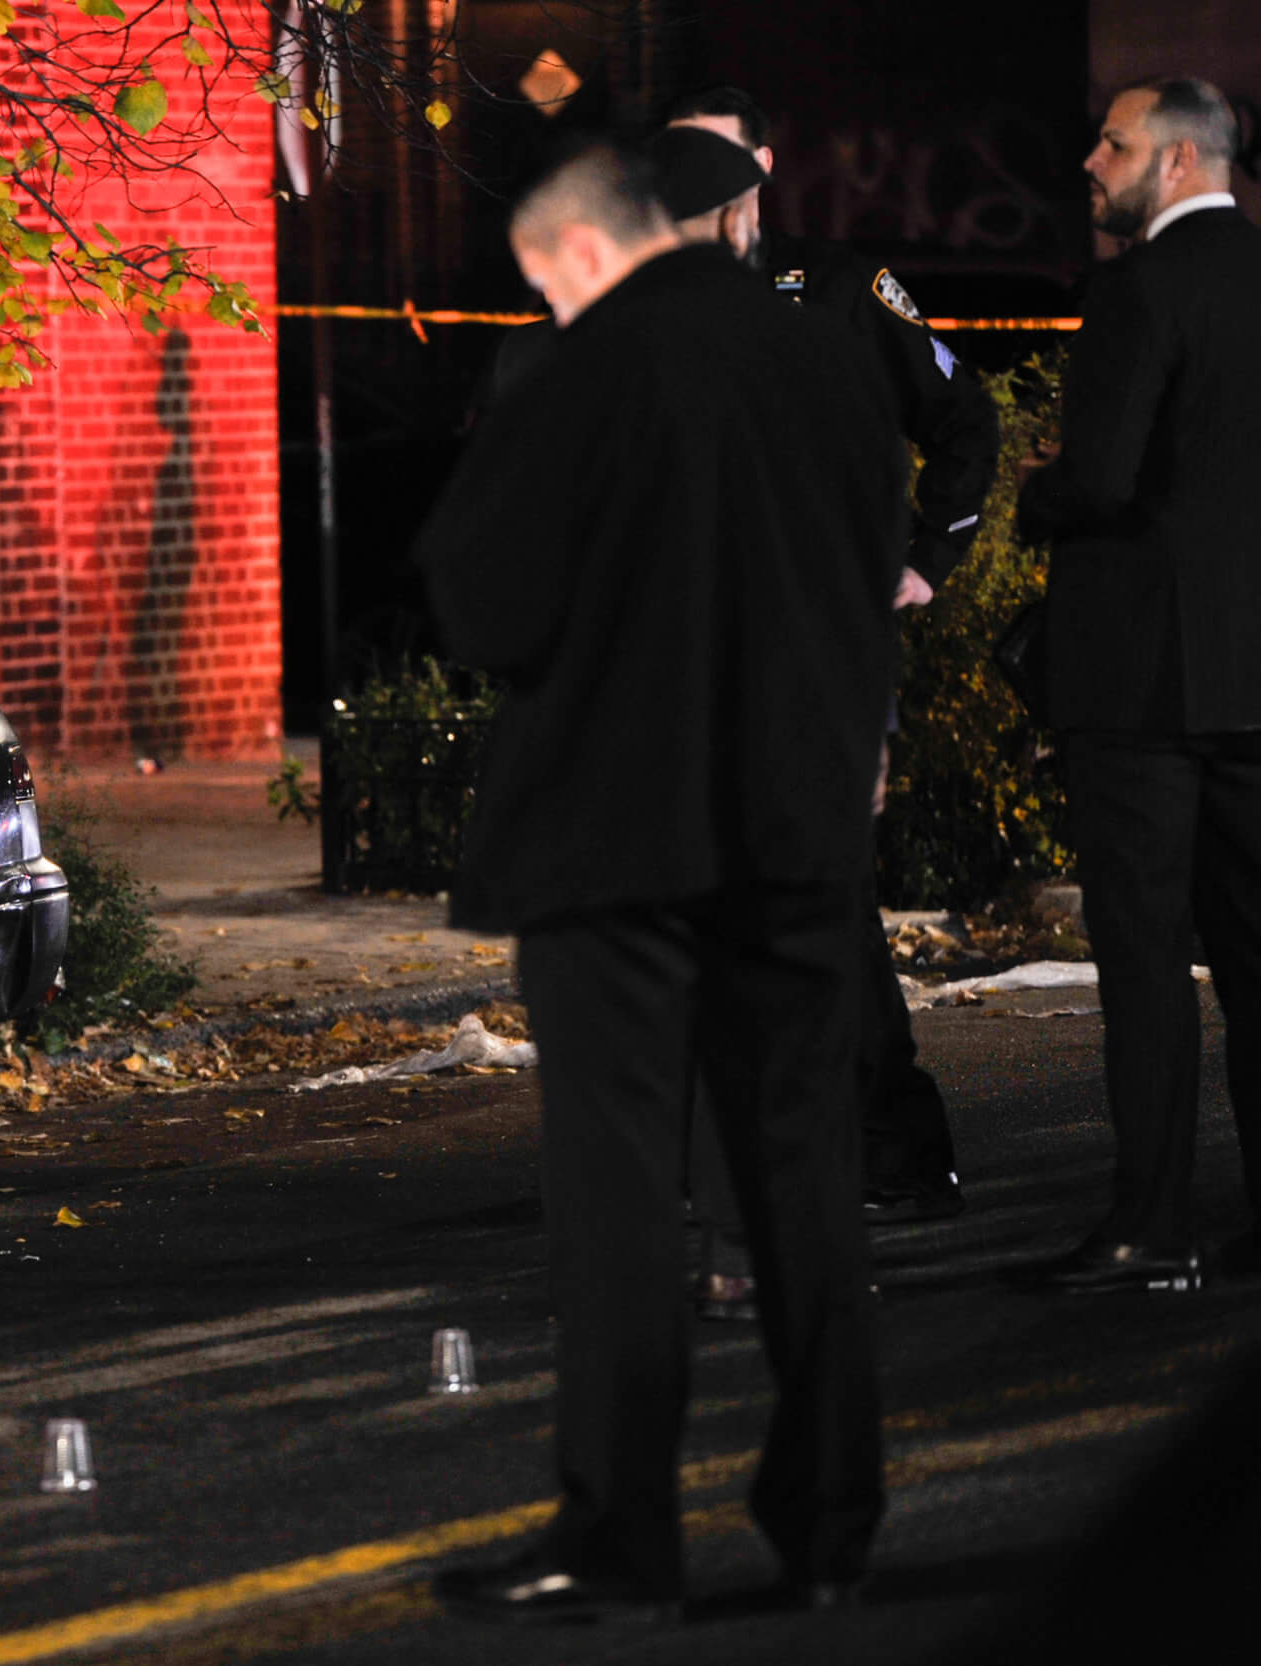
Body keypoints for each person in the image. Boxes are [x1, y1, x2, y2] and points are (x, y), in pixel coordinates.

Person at [416, 140, 904, 1621]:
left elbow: (482, 598)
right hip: (799, 825)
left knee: (622, 1185)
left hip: (615, 837)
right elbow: (874, 564)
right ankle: (827, 1519)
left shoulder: (576, 372)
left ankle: (624, 1526)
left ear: (575, 254)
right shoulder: (824, 358)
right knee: (805, 1168)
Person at [671, 86, 1002, 1229]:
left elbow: (963, 422)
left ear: (761, 164)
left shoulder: (841, 287)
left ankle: (895, 1151)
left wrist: (922, 565)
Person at [1016, 76, 1261, 1293]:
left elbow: (1103, 480)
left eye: (1109, 143)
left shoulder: (1134, 290)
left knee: (1145, 962)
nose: (1088, 162)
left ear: (1170, 161)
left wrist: (1033, 488)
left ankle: (1150, 1217)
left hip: (1141, 688)